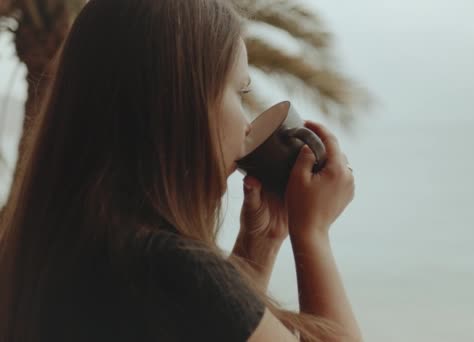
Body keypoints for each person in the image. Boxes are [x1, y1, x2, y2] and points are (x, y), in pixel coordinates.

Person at [0, 0, 361, 341]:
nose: (248, 125)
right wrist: (312, 234)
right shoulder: (166, 269)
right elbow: (198, 302)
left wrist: (260, 244)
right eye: (240, 91)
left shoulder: (57, 249)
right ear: (182, 105)